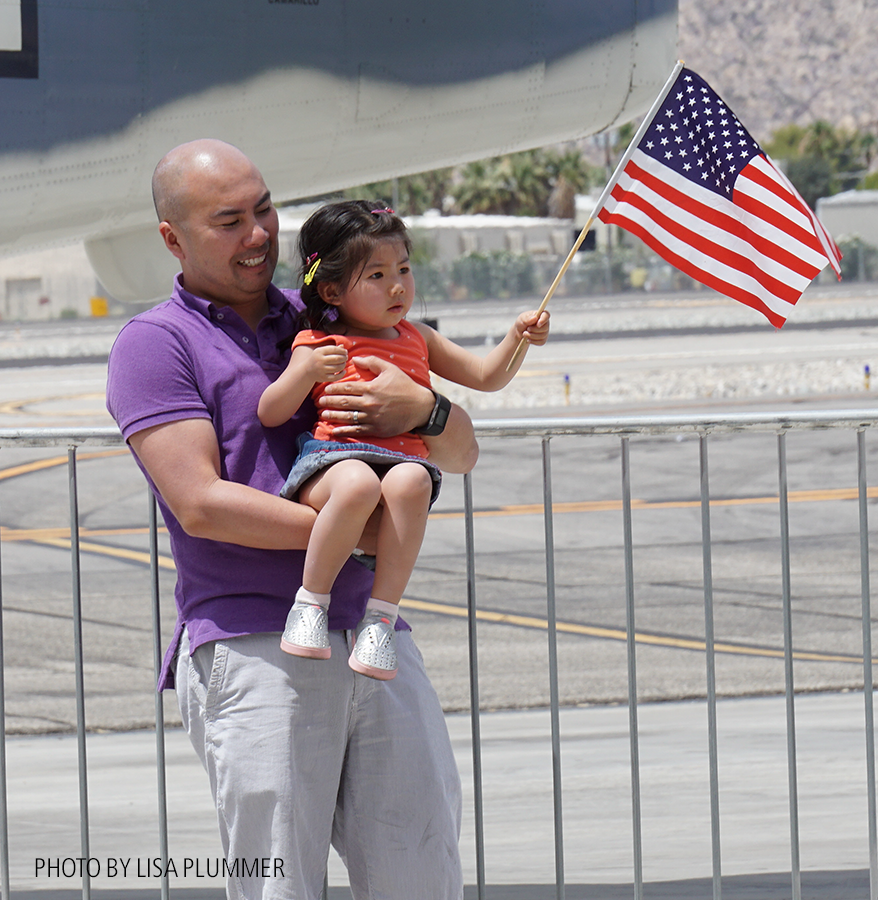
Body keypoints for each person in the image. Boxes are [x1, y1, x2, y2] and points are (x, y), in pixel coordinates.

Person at [105, 139, 479, 900]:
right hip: (255, 647)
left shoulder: (336, 312)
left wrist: (430, 408)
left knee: (424, 874)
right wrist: (361, 532)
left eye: (266, 208)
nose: (258, 235)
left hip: (378, 640)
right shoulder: (154, 344)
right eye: (229, 220)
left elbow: (463, 453)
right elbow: (201, 504)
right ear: (172, 238)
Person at [258, 200, 550, 680]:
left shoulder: (419, 337)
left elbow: (485, 375)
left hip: (399, 463)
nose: (397, 285)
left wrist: (517, 337)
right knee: (356, 484)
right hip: (333, 462)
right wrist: (305, 371)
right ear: (330, 289)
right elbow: (271, 410)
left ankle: (381, 619)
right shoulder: (318, 342)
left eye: (404, 268)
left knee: (414, 481)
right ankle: (310, 604)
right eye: (376, 275)